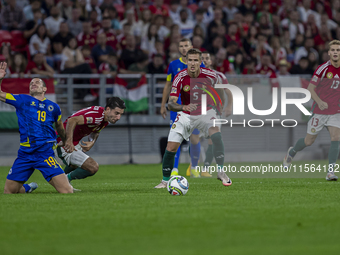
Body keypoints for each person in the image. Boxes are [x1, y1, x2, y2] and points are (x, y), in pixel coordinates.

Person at [154, 49, 232, 188]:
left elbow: (220, 90)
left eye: (196, 60)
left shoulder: (211, 75)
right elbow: (171, 103)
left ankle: (221, 172)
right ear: (186, 61)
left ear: (200, 62)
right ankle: (165, 180)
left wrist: (218, 106)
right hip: (185, 114)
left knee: (216, 135)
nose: (192, 63)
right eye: (190, 60)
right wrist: (183, 107)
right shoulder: (179, 76)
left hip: (206, 111)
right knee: (171, 147)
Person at [0, 62, 73, 194]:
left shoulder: (54, 107)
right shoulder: (22, 100)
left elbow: (60, 127)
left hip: (45, 153)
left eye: (37, 82)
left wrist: (66, 140)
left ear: (44, 89)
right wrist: (0, 78)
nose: (33, 83)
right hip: (25, 154)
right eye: (31, 83)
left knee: (67, 191)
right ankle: (29, 187)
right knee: (9, 192)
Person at [283, 40, 340, 181]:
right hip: (319, 111)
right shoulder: (322, 69)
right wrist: (319, 102)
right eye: (332, 50)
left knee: (336, 138)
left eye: (338, 50)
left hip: (335, 111)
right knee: (309, 141)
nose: (335, 53)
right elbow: (310, 89)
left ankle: (330, 172)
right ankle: (292, 151)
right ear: (328, 53)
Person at [56, 97, 126, 188]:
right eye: (116, 113)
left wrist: (91, 141)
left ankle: (61, 182)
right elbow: (71, 120)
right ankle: (64, 180)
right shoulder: (96, 116)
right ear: (108, 109)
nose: (118, 117)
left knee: (75, 165)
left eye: (121, 114)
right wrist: (68, 141)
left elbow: (96, 131)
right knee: (93, 167)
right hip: (62, 141)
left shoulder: (105, 119)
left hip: (74, 141)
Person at [160, 38, 205, 178]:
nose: (184, 48)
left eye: (186, 45)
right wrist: (163, 105)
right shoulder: (173, 65)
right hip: (178, 107)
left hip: (195, 107)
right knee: (176, 137)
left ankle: (194, 167)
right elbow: (168, 85)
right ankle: (174, 169)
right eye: (181, 46)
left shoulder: (200, 64)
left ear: (191, 46)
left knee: (195, 138)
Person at [201, 51, 232, 172]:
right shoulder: (192, 75)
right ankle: (193, 166)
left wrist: (228, 106)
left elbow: (228, 91)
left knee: (213, 138)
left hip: (212, 110)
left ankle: (206, 168)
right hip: (197, 110)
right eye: (201, 58)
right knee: (194, 139)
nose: (204, 60)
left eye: (206, 58)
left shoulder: (219, 75)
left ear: (211, 61)